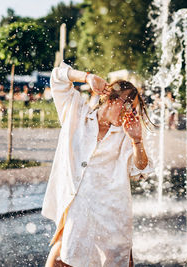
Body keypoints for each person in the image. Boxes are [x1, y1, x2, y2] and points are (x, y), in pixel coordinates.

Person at [43, 62, 153, 267]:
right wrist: (86, 77)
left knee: (119, 262)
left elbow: (140, 170)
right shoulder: (76, 112)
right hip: (77, 209)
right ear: (110, 99)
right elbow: (57, 76)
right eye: (128, 104)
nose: (130, 112)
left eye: (134, 107)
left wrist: (137, 141)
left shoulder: (126, 134)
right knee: (62, 259)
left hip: (112, 213)